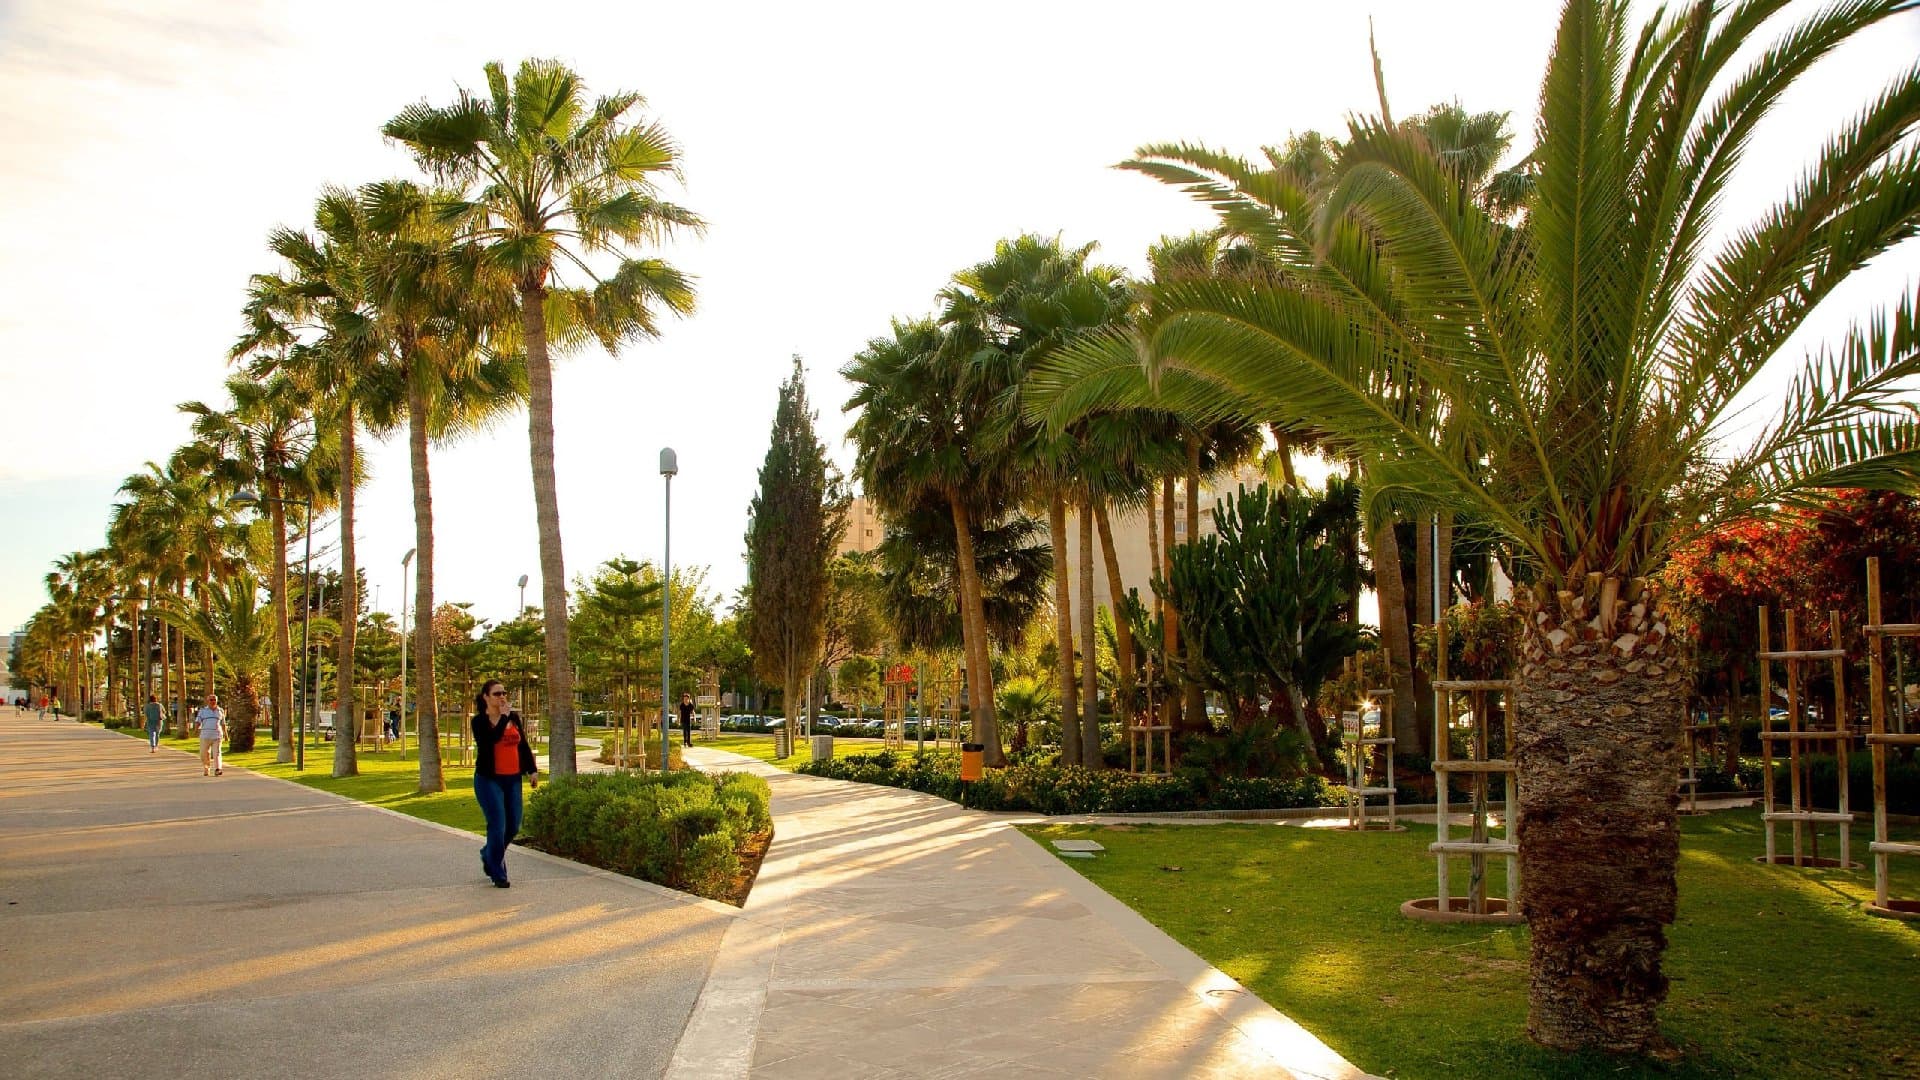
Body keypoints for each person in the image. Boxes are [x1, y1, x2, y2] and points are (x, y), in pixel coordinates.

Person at [471, 679, 538, 888]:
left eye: (503, 693)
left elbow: (523, 745)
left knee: (513, 826)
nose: (501, 697)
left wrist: (532, 770)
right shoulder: (479, 721)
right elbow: (490, 740)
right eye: (496, 694)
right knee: (498, 825)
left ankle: (488, 853)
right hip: (489, 779)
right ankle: (498, 871)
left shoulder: (513, 718)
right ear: (486, 697)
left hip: (512, 779)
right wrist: (503, 718)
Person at [196, 694, 226, 776]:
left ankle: (218, 769)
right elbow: (198, 721)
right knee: (203, 753)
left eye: (214, 700)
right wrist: (195, 731)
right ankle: (206, 767)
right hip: (205, 735)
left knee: (217, 753)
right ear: (208, 701)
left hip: (217, 735)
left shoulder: (220, 711)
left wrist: (226, 735)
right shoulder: (202, 711)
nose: (213, 701)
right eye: (211, 700)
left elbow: (223, 723)